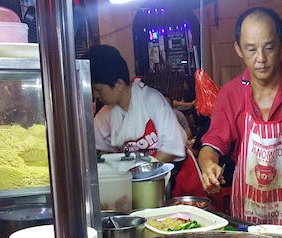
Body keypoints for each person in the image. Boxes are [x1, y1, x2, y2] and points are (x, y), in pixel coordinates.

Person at [198, 7, 282, 227]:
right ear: (238, 50)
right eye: (251, 49)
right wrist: (208, 167)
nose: (261, 59)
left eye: (269, 48)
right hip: (246, 212)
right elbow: (211, 146)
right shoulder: (230, 93)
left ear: (281, 45)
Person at [85, 45, 203, 197]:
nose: (96, 95)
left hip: (174, 178)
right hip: (139, 184)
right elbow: (94, 151)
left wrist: (142, 172)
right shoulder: (106, 115)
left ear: (118, 84)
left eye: (99, 90)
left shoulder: (152, 100)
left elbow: (172, 146)